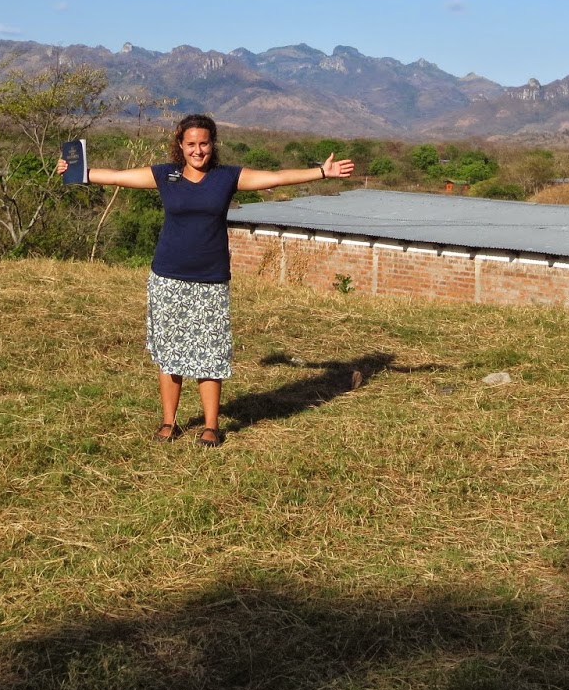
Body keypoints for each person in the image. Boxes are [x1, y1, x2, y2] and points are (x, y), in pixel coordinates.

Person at [59, 114, 355, 448]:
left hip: (210, 279)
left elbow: (275, 177)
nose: (197, 151)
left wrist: (321, 172)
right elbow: (117, 176)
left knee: (210, 353)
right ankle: (168, 422)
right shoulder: (165, 175)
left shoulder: (226, 177)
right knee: (170, 353)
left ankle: (211, 426)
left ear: (213, 144)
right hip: (167, 277)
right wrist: (78, 171)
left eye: (203, 143)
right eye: (191, 144)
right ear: (180, 144)